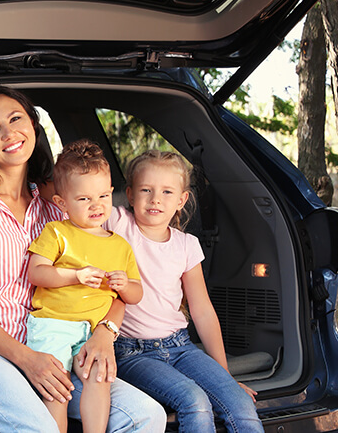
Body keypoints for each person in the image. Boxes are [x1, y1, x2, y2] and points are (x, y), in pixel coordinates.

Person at [0, 85, 166, 432]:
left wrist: (105, 334)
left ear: (33, 126)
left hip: (56, 341)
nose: (9, 132)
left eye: (16, 119)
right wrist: (27, 360)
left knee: (148, 416)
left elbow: (113, 287)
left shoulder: (59, 208)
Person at [108, 150, 263, 433]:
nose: (156, 199)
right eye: (146, 190)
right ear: (129, 195)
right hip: (132, 353)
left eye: (167, 191)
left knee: (240, 403)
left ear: (181, 200)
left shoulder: (187, 245)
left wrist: (223, 375)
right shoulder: (119, 223)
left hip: (180, 346)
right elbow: (82, 198)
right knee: (195, 401)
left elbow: (202, 310)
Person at [25, 139, 144, 433]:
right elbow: (36, 273)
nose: (97, 205)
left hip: (92, 331)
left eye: (104, 195)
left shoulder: (120, 245)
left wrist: (123, 284)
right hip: (52, 323)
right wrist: (74, 275)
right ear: (61, 203)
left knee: (99, 377)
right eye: (84, 199)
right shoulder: (56, 232)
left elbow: (136, 294)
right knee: (58, 389)